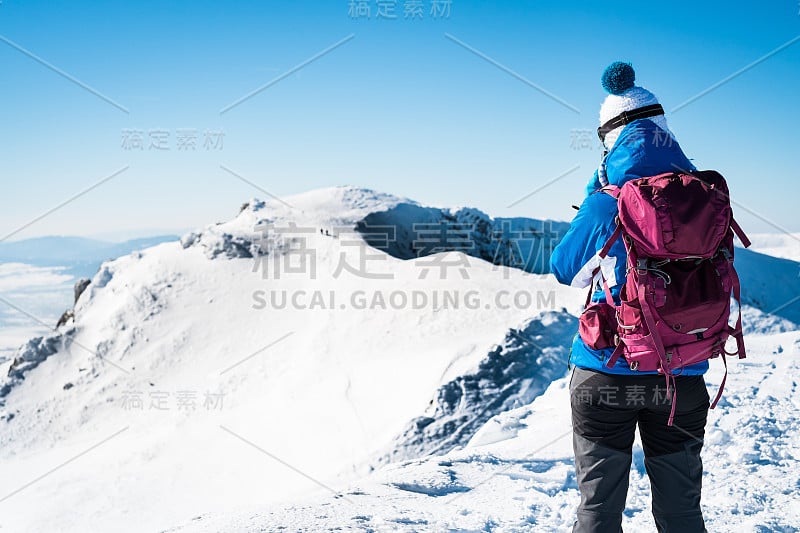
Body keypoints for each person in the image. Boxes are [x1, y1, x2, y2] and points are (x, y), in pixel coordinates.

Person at [550, 62, 709, 532]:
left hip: (607, 374)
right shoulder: (703, 196)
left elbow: (566, 270)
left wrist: (595, 203)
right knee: (682, 512)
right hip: (682, 374)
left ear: (611, 138)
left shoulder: (609, 195)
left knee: (599, 511)